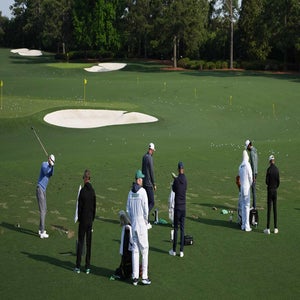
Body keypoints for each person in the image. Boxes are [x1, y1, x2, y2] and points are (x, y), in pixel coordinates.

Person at [126, 170, 151, 286]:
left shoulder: (130, 193)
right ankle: (144, 276)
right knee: (144, 250)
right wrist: (146, 221)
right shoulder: (142, 192)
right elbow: (146, 209)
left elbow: (127, 210)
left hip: (134, 223)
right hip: (141, 223)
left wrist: (132, 219)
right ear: (139, 180)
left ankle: (135, 277)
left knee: (135, 251)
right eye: (142, 179)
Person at [74, 169, 96, 274]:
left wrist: (79, 218)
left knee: (80, 243)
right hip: (90, 221)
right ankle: (87, 267)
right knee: (89, 244)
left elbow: (80, 207)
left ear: (84, 179)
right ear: (89, 179)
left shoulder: (82, 191)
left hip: (82, 221)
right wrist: (92, 219)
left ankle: (78, 266)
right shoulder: (93, 191)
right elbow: (94, 207)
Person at [169, 162, 187, 258]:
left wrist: (174, 180)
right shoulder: (185, 179)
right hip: (184, 208)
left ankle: (174, 250)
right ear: (183, 169)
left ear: (178, 169)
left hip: (177, 208)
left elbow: (174, 189)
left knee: (176, 229)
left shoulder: (176, 180)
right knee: (182, 229)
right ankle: (181, 251)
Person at [36, 154, 55, 239]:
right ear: (49, 159)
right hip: (40, 188)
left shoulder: (50, 166)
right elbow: (46, 171)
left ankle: (41, 229)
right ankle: (42, 232)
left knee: (45, 209)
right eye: (51, 160)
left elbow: (51, 173)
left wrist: (52, 166)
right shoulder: (44, 164)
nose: (52, 162)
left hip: (43, 190)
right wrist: (50, 165)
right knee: (42, 211)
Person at [264, 155, 280, 235]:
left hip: (270, 190)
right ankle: (276, 228)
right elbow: (278, 182)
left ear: (270, 161)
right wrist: (275, 187)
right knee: (275, 209)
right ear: (274, 160)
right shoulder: (277, 170)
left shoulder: (269, 170)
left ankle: (268, 228)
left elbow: (266, 181)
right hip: (275, 190)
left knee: (269, 210)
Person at [239, 150, 253, 232]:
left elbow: (240, 177)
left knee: (243, 207)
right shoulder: (247, 165)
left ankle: (243, 225)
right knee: (247, 207)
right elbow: (250, 177)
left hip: (241, 188)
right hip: (247, 188)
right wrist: (251, 185)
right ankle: (247, 226)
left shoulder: (240, 166)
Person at [142, 143, 156, 219]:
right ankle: (145, 215)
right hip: (149, 183)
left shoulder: (144, 157)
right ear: (152, 150)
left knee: (146, 202)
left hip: (144, 183)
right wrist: (154, 184)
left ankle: (146, 217)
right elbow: (151, 171)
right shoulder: (150, 158)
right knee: (152, 202)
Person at [245, 140, 258, 209]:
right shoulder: (255, 150)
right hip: (255, 172)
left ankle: (254, 206)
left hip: (253, 174)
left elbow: (253, 164)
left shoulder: (252, 153)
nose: (247, 149)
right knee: (253, 189)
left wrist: (253, 176)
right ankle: (253, 205)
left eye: (247, 147)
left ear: (249, 145)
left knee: (253, 190)